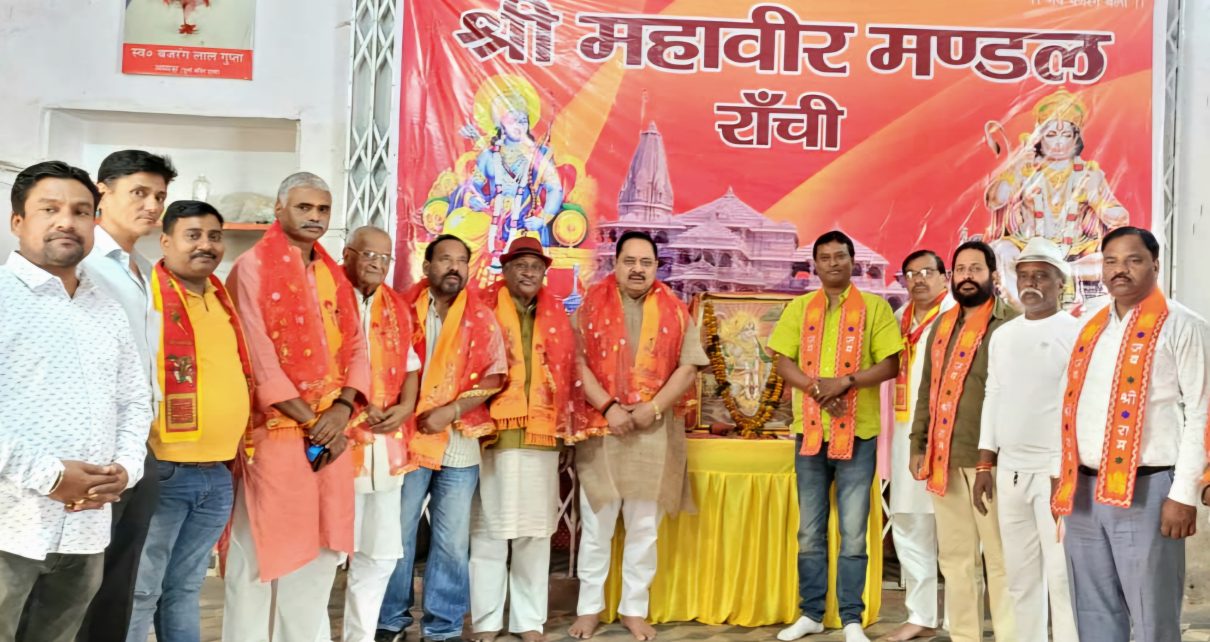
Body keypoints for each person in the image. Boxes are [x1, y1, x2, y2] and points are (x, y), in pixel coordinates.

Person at [0, 161, 152, 641]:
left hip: (86, 530)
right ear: (18, 221)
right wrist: (49, 475)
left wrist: (125, 468)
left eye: (81, 211)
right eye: (50, 209)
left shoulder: (105, 307)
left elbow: (135, 399)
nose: (67, 221)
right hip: (10, 525)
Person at [222, 172, 371, 642]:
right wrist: (314, 421)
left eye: (322, 209)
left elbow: (357, 347)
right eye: (304, 207)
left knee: (321, 552)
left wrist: (342, 410)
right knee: (261, 552)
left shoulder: (334, 275)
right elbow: (257, 354)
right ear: (279, 209)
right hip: (276, 432)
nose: (314, 217)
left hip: (332, 434)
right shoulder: (251, 268)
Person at [1051, 226, 1208, 642]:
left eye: (1133, 260)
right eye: (1111, 261)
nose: (1120, 270)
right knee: (1093, 610)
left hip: (1148, 490)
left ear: (1155, 264)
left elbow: (1202, 413)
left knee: (1152, 614)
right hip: (1083, 493)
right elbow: (1070, 403)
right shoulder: (1090, 325)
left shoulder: (1184, 325)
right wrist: (1060, 473)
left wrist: (1183, 495)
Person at [567, 230, 709, 642]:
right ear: (615, 263)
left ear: (656, 267)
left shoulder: (676, 311)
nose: (637, 269)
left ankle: (634, 609)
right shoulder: (589, 306)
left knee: (644, 529)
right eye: (629, 261)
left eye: (646, 263)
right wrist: (609, 407)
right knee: (597, 527)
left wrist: (654, 408)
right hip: (602, 428)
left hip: (653, 432)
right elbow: (574, 362)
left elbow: (688, 366)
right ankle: (589, 608)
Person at [124, 201, 254, 642]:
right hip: (165, 468)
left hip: (218, 471)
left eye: (214, 236)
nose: (206, 245)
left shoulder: (221, 296)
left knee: (185, 587)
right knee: (142, 589)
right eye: (192, 235)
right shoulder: (145, 294)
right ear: (165, 242)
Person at [768, 231, 902, 642]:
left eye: (839, 256)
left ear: (851, 260)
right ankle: (810, 613)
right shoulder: (799, 308)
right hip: (809, 435)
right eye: (824, 257)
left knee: (854, 532)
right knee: (810, 531)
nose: (832, 263)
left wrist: (845, 382)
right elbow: (781, 360)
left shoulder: (875, 308)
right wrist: (817, 390)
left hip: (858, 435)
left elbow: (891, 364)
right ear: (815, 264)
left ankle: (851, 618)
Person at [376, 234, 507, 642]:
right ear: (427, 266)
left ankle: (443, 627)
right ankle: (390, 620)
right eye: (445, 259)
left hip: (459, 441)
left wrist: (451, 411)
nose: (454, 267)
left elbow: (494, 377)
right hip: (409, 439)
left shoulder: (481, 317)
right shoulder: (400, 311)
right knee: (397, 533)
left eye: (461, 261)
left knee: (451, 541)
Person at [78, 149, 178, 642]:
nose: (152, 205)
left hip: (137, 442)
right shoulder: (83, 262)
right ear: (103, 191)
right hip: (92, 444)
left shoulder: (141, 267)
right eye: (139, 192)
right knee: (78, 583)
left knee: (119, 580)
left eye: (159, 195)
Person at [469, 237, 579, 642]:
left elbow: (568, 375)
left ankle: (529, 621)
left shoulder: (558, 316)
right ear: (506, 269)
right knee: (490, 532)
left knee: (535, 533)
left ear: (544, 273)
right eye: (521, 265)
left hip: (542, 435)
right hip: (492, 433)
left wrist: (568, 431)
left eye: (536, 266)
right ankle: (486, 622)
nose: (529, 272)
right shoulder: (481, 308)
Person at [909, 241, 1017, 642]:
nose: (967, 276)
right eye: (960, 269)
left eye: (976, 268)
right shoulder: (942, 325)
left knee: (1002, 559)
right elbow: (927, 389)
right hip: (944, 458)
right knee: (955, 559)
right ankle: (965, 636)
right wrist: (917, 443)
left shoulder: (1010, 324)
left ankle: (1010, 637)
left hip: (992, 461)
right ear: (951, 277)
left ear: (993, 274)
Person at [977, 237, 1080, 641]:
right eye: (1024, 276)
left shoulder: (1076, 332)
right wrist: (985, 462)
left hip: (1055, 473)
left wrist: (1060, 471)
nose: (1031, 283)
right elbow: (994, 394)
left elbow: (1076, 405)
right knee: (1020, 578)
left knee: (1062, 578)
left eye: (1041, 276)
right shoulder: (1003, 335)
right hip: (1010, 473)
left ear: (1060, 283)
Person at [338, 227, 421, 642]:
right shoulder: (329, 297)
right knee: (329, 551)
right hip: (338, 442)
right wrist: (356, 404)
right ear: (347, 253)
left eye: (385, 258)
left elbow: (411, 366)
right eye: (368, 254)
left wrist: (406, 407)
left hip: (387, 445)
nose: (376, 263)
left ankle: (360, 636)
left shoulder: (397, 306)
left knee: (380, 552)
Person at [984, 89, 1128, 306]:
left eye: (1066, 135)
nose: (1059, 142)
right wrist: (1015, 166)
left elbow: (1120, 217)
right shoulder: (1025, 169)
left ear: (1076, 138)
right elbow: (995, 200)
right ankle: (1021, 310)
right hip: (1028, 247)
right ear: (1039, 137)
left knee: (1114, 259)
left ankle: (1062, 273)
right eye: (1051, 135)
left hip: (1075, 250)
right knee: (1001, 250)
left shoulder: (1089, 173)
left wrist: (1094, 198)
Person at [885, 249, 952, 642]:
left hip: (951, 436)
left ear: (945, 277)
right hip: (905, 433)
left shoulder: (959, 316)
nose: (919, 280)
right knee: (910, 522)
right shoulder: (899, 318)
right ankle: (921, 615)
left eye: (927, 271)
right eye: (910, 274)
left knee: (959, 531)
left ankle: (962, 619)